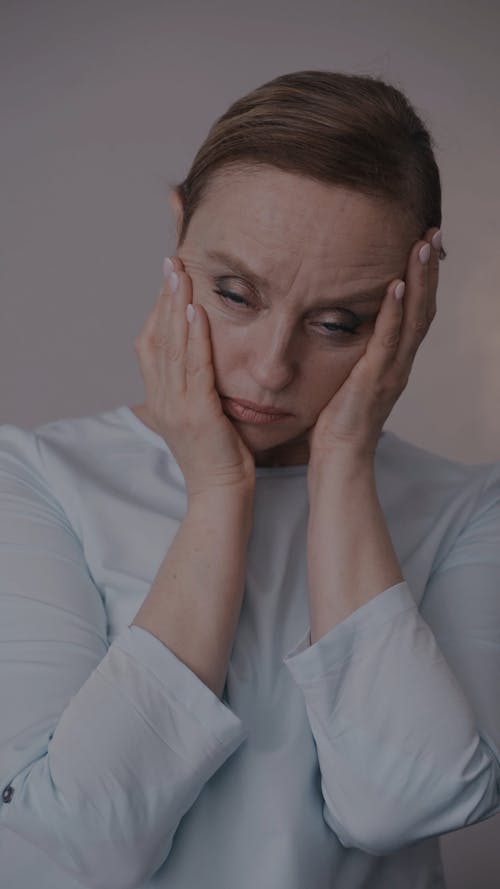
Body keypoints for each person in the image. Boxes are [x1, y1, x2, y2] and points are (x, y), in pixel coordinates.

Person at [0, 69, 499, 889]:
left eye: (339, 322)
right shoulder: (37, 479)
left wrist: (343, 465)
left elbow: (400, 804)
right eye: (235, 294)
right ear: (178, 236)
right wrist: (220, 495)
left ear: (413, 309)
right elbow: (72, 849)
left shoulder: (473, 510)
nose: (271, 369)